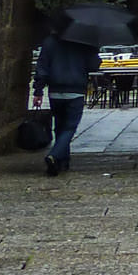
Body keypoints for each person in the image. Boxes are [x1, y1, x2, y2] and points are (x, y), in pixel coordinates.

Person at [32, 31, 103, 176]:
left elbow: (42, 65)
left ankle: (62, 162)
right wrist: (94, 49)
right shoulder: (83, 41)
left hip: (55, 90)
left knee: (59, 127)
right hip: (75, 90)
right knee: (70, 127)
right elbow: (93, 65)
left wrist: (38, 90)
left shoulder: (50, 41)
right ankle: (55, 155)